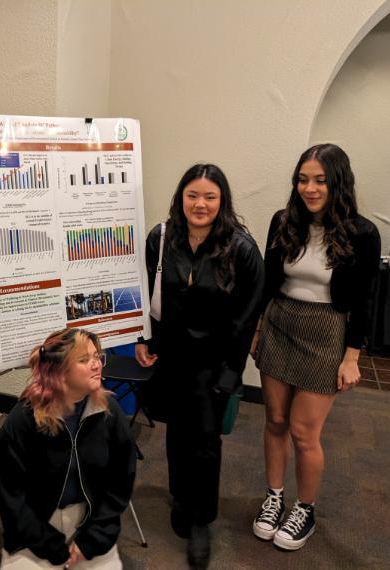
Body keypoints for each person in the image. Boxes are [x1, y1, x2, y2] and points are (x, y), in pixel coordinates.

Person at [251, 144, 380, 551]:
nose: (310, 188)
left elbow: (364, 299)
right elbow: (268, 282)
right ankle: (274, 497)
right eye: (303, 179)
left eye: (320, 180)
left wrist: (353, 356)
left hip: (326, 332)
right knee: (274, 419)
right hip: (280, 321)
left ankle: (305, 508)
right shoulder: (284, 221)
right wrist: (256, 329)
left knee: (305, 432)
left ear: (337, 182)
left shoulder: (362, 233)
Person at [135, 164, 264, 569]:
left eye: (210, 197)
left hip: (213, 362)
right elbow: (146, 294)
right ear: (181, 198)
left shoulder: (240, 248)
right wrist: (145, 340)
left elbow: (246, 317)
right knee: (176, 432)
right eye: (193, 195)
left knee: (205, 441)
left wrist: (231, 373)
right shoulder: (160, 238)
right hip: (171, 356)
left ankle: (201, 521)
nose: (200, 204)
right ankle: (179, 496)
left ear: (221, 201)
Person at [0, 328, 137, 569]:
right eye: (84, 360)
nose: (96, 365)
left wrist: (93, 539)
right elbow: (10, 497)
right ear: (59, 371)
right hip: (35, 528)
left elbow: (120, 483)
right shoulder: (23, 420)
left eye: (97, 356)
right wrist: (51, 547)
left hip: (90, 524)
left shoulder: (109, 411)